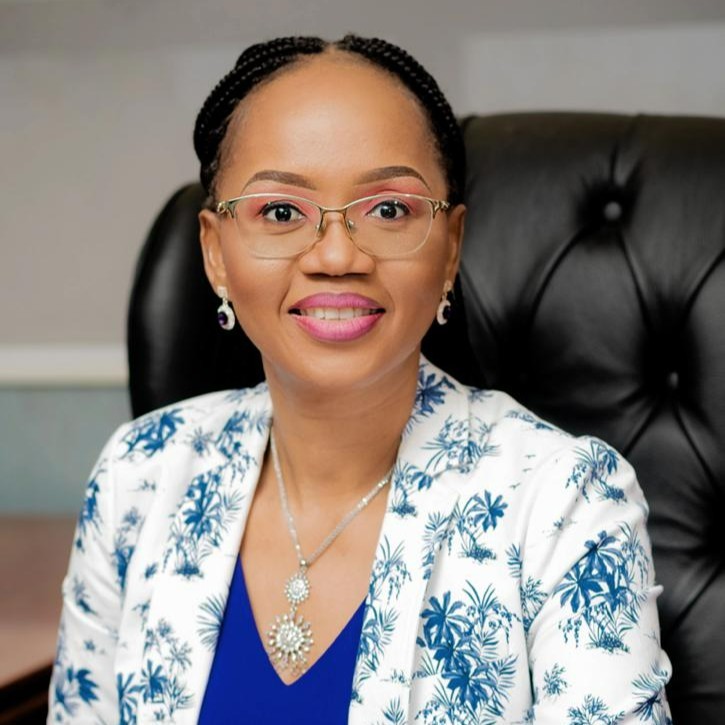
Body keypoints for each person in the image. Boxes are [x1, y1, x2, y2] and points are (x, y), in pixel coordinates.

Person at [48, 35, 672, 724]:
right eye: (281, 212)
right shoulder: (140, 474)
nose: (337, 255)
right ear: (215, 252)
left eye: (389, 209)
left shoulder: (566, 503)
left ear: (450, 247)